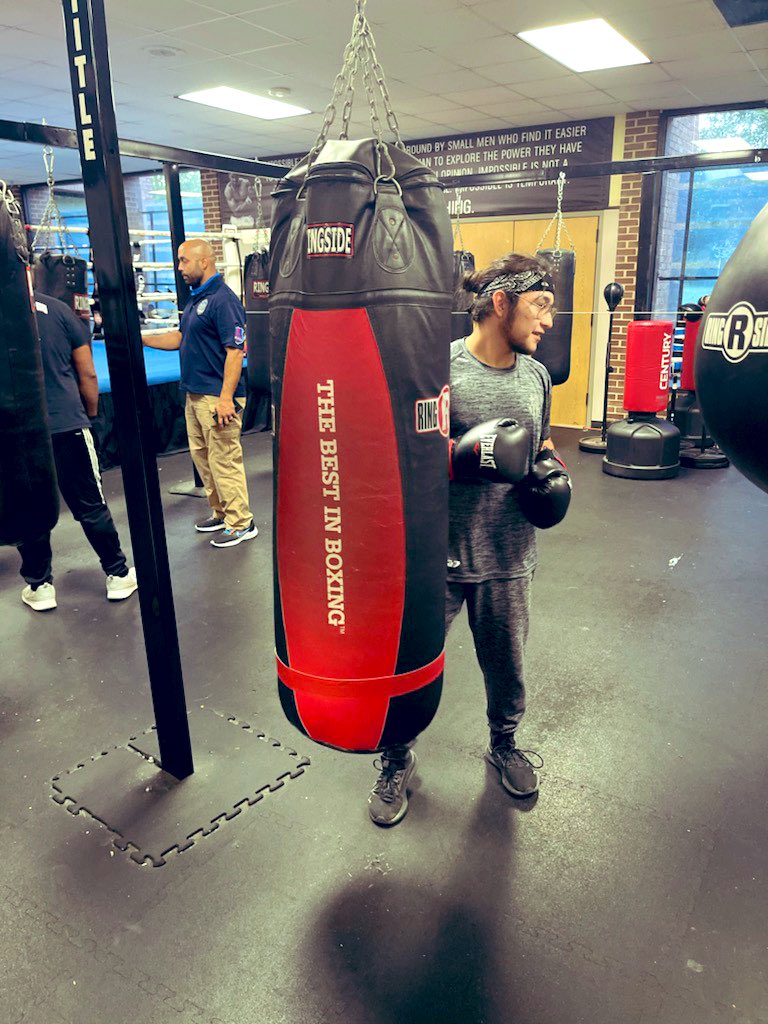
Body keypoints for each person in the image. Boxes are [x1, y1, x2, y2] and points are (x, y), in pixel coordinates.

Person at [368, 253, 562, 826]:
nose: (548, 321)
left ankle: (504, 743)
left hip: (509, 553)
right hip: (440, 557)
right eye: (539, 306)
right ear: (500, 303)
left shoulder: (537, 377)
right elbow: (400, 456)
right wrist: (457, 458)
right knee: (409, 666)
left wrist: (552, 472)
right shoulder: (440, 368)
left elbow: (543, 444)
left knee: (508, 666)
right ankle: (396, 758)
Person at [17, 287, 138, 611]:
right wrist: (91, 415)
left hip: (20, 432)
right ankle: (117, 574)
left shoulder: (6, 311)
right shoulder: (58, 310)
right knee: (90, 504)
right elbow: (87, 372)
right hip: (66, 424)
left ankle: (40, 585)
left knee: (29, 509)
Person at [142, 238, 257, 548]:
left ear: (204, 262)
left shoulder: (223, 299)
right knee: (204, 459)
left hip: (217, 397)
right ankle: (221, 513)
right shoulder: (196, 299)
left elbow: (235, 352)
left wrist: (224, 398)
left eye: (183, 261)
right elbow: (180, 337)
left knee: (224, 460)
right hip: (195, 394)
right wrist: (142, 338)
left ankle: (241, 522)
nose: (179, 267)